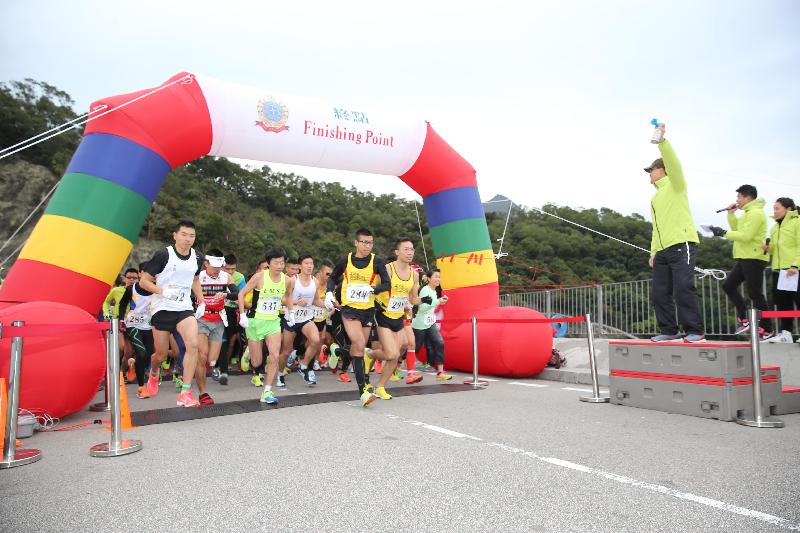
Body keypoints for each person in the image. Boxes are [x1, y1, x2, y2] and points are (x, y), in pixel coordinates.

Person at [645, 124, 705, 343]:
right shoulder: (655, 198)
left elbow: (674, 164)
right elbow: (656, 228)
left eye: (651, 170)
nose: (649, 175)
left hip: (682, 245)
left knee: (683, 288)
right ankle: (669, 331)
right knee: (660, 293)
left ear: (662, 170)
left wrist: (662, 142)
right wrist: (653, 252)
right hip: (661, 251)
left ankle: (695, 331)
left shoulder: (676, 185)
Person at [138, 220, 206, 407]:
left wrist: (201, 300)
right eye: (183, 234)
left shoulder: (198, 257)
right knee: (160, 355)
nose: (187, 239)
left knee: (193, 345)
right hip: (162, 308)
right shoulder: (163, 255)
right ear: (175, 235)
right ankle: (153, 373)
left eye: (191, 236)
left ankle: (185, 392)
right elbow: (144, 282)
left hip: (184, 308)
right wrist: (163, 291)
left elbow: (194, 280)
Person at [325, 228, 391, 406]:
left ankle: (337, 351)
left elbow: (387, 283)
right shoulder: (346, 260)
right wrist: (329, 292)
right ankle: (363, 392)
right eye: (363, 242)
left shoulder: (377, 261)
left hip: (368, 310)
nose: (367, 246)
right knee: (360, 344)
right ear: (356, 242)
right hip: (349, 309)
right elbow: (333, 277)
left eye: (370, 243)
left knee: (358, 349)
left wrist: (375, 289)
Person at [708, 185, 772, 339]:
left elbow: (746, 236)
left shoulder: (756, 213)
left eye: (739, 197)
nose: (737, 200)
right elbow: (737, 230)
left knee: (755, 293)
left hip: (754, 257)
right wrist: (731, 215)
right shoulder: (747, 213)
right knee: (728, 286)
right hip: (744, 256)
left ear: (747, 198)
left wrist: (722, 233)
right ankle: (745, 318)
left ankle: (767, 329)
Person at [237, 247, 291, 405]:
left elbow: (288, 295)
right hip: (255, 321)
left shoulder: (287, 280)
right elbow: (241, 294)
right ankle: (249, 353)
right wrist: (242, 315)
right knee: (256, 362)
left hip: (273, 321)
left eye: (282, 262)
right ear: (268, 263)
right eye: (276, 263)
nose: (280, 266)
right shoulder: (259, 277)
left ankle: (267, 391)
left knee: (274, 355)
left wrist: (291, 312)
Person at [196, 249, 239, 403]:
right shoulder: (199, 277)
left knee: (211, 359)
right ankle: (203, 393)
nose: (216, 270)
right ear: (206, 264)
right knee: (201, 356)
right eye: (213, 267)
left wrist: (226, 294)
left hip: (219, 319)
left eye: (219, 266)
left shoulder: (226, 277)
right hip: (201, 318)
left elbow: (236, 294)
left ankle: (210, 366)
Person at [278, 254, 325, 386]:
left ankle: (303, 366)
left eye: (311, 263)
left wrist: (328, 304)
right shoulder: (292, 281)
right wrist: (296, 302)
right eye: (306, 263)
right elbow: (282, 300)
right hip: (291, 319)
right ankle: (280, 373)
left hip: (306, 318)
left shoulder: (315, 281)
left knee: (316, 340)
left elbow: (316, 300)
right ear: (300, 266)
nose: (310, 266)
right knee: (286, 351)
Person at [764, 198, 799, 343]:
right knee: (784, 303)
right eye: (774, 208)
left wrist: (795, 265)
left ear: (788, 209)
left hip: (794, 270)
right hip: (779, 270)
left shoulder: (797, 223)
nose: (774, 211)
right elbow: (775, 248)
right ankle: (786, 334)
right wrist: (768, 248)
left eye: (777, 208)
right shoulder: (774, 227)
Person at [118, 263, 155, 398]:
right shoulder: (131, 289)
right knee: (142, 352)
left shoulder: (157, 290)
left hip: (149, 325)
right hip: (133, 324)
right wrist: (121, 320)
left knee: (149, 354)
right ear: (140, 274)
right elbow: (122, 304)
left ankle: (133, 364)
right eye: (147, 273)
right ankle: (141, 387)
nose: (151, 276)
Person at [412, 268, 452, 380]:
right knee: (415, 348)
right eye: (435, 277)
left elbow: (431, 305)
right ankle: (398, 364)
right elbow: (423, 307)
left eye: (439, 277)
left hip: (430, 323)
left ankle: (440, 372)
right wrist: (438, 301)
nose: (438, 279)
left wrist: (439, 300)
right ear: (429, 278)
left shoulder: (434, 291)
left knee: (440, 343)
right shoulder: (425, 290)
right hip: (420, 324)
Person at [220, 253, 246, 379]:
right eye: (227, 269)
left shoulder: (240, 277)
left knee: (228, 339)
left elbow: (241, 295)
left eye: (233, 269)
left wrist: (241, 312)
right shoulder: (213, 274)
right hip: (216, 309)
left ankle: (223, 365)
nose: (230, 272)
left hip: (231, 311)